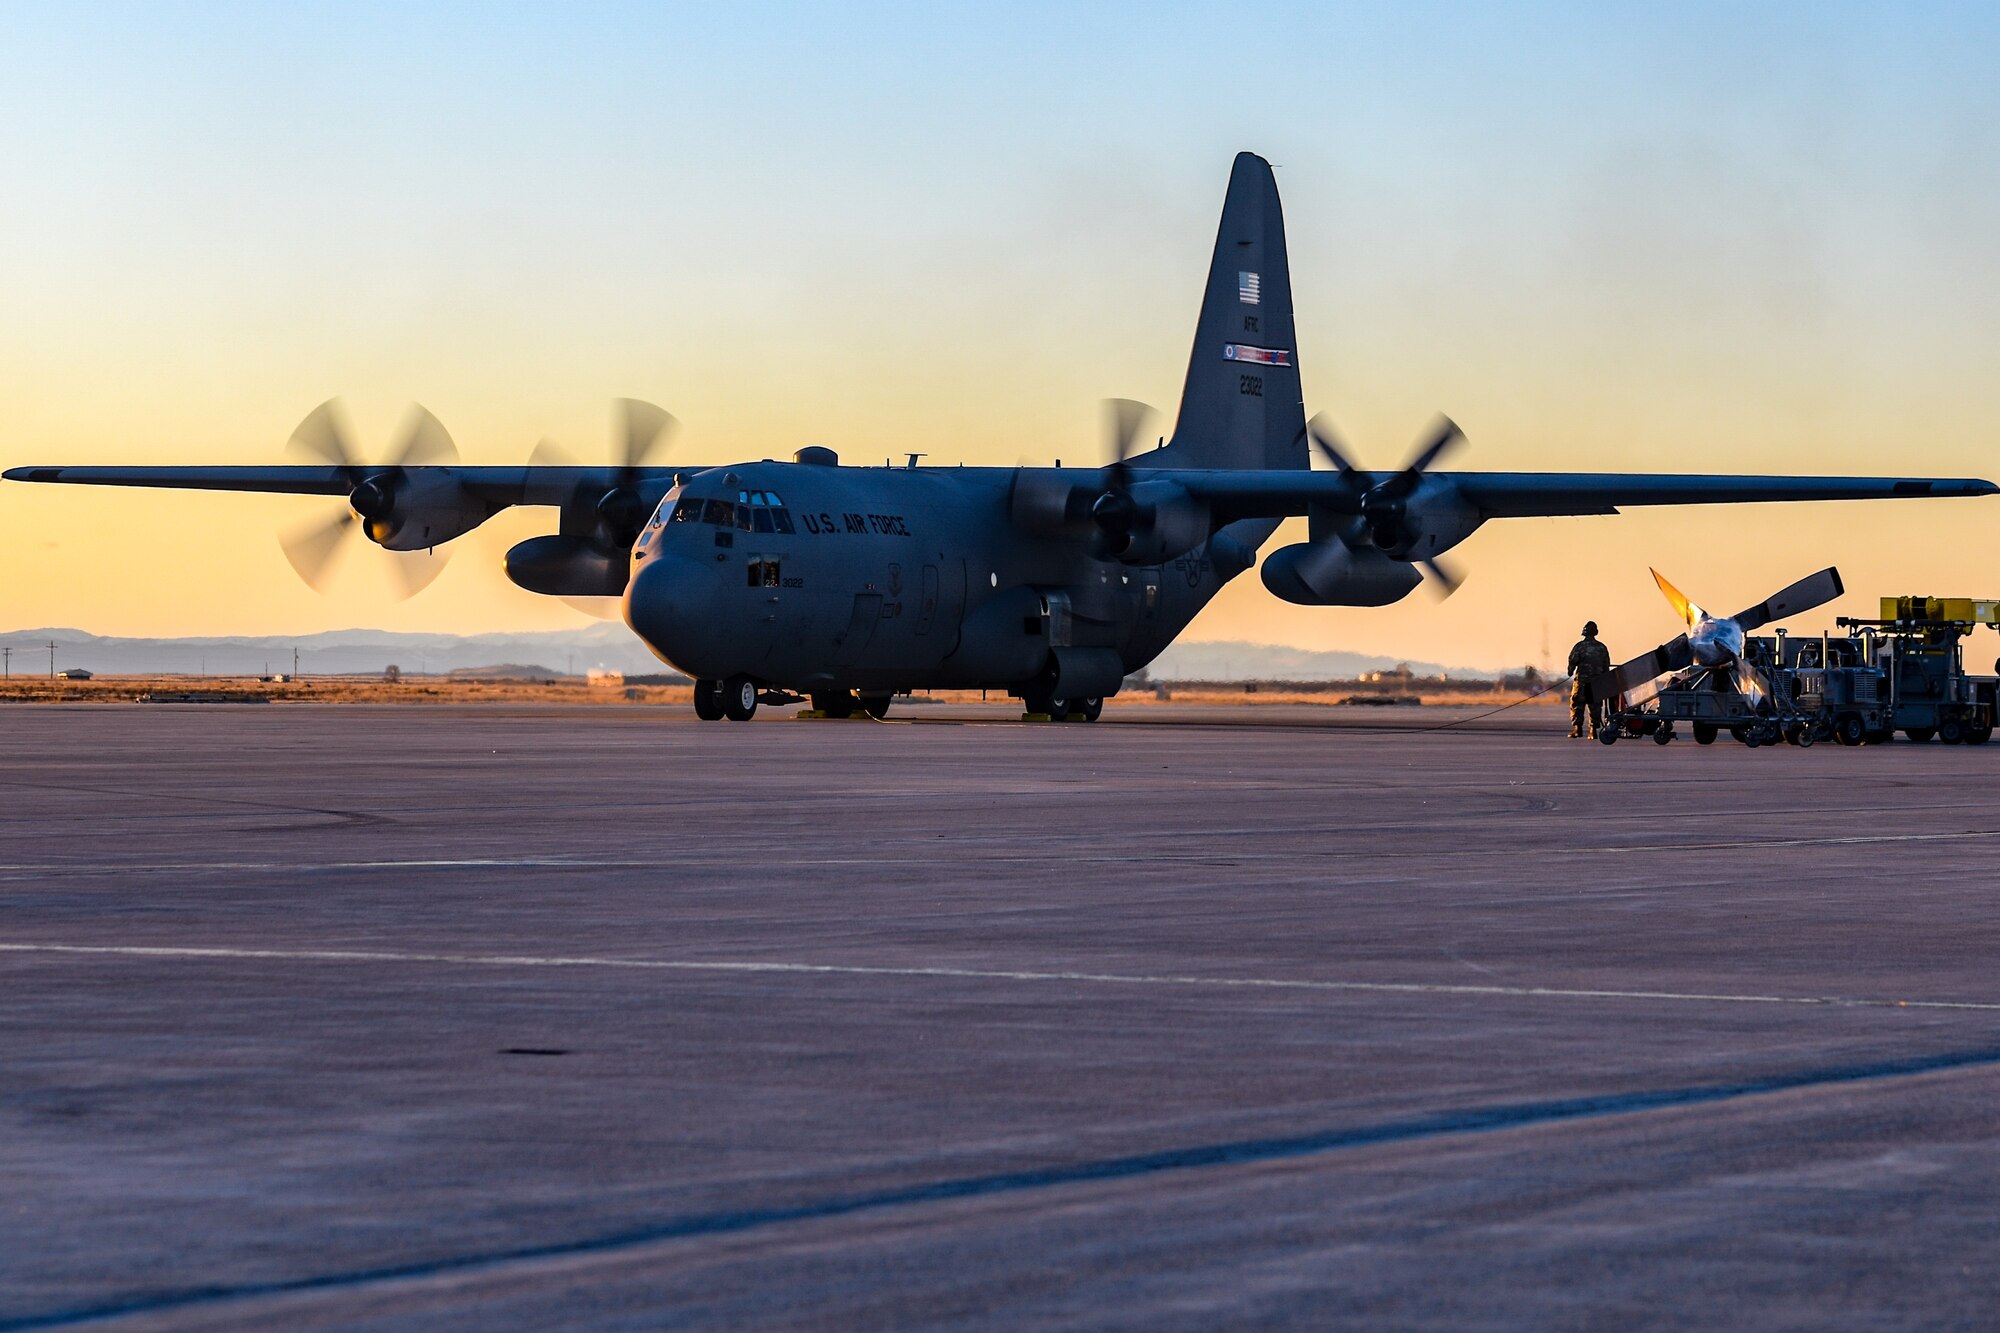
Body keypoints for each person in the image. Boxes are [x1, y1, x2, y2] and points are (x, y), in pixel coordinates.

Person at [1567, 621, 1612, 738]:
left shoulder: (1579, 647)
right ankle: (1593, 731)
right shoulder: (1602, 648)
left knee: (1577, 704)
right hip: (1596, 682)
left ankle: (1577, 729)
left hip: (1581, 681)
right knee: (1595, 705)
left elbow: (1572, 661)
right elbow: (1606, 665)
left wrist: (1570, 671)